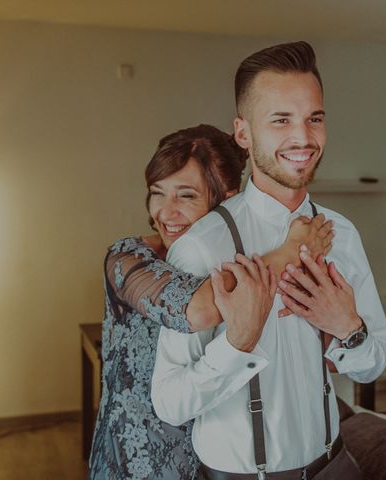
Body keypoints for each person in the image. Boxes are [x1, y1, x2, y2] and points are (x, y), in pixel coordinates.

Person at [151, 42, 386, 479]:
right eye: (281, 120)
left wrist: (347, 329)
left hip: (335, 467)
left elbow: (375, 362)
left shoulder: (343, 235)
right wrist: (235, 344)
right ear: (243, 134)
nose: (303, 138)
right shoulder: (202, 248)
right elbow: (169, 403)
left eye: (314, 118)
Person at [88, 124, 334, 479]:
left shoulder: (244, 255)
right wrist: (291, 252)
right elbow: (197, 308)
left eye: (186, 196)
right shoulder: (127, 258)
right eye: (159, 193)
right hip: (135, 459)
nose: (166, 212)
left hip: (214, 460)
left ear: (228, 200)